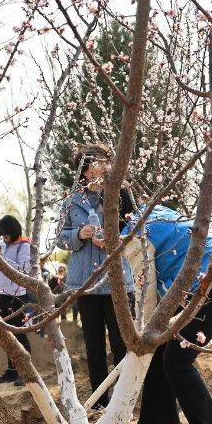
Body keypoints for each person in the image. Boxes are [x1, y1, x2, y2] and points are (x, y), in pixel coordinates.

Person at [122, 205, 212, 424]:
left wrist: (143, 330)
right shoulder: (155, 211)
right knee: (161, 352)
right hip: (199, 287)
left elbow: (146, 288)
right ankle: (158, 421)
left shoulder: (134, 234)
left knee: (177, 360)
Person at [56, 143, 136, 393]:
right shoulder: (72, 201)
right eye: (96, 162)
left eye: (105, 161)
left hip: (117, 279)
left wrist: (114, 239)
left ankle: (124, 399)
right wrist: (80, 234)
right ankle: (99, 400)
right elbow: (60, 237)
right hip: (85, 283)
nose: (103, 166)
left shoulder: (121, 194)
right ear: (84, 169)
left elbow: (137, 227)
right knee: (94, 346)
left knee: (122, 343)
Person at [0, 214, 32, 386]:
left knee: (19, 334)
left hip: (17, 296)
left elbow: (23, 268)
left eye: (6, 234)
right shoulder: (6, 246)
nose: (4, 237)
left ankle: (26, 371)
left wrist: (3, 260)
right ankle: (11, 370)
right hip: (2, 294)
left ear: (13, 231)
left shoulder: (24, 245)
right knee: (6, 335)